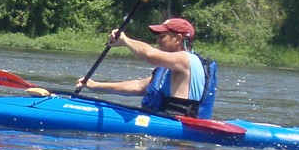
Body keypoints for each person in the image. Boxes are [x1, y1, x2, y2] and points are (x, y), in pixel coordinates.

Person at [75, 17, 218, 119]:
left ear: (178, 39)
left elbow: (150, 55)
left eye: (163, 36)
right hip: (162, 119)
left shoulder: (186, 59)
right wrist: (94, 85)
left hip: (176, 128)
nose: (158, 40)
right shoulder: (170, 66)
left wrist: (125, 40)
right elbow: (138, 86)